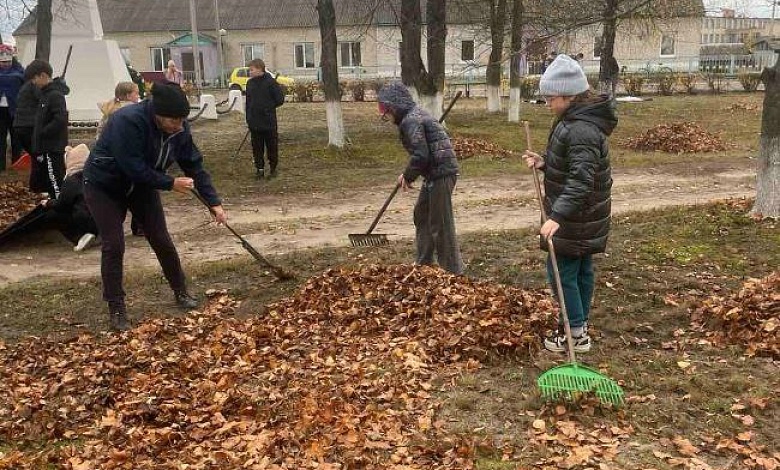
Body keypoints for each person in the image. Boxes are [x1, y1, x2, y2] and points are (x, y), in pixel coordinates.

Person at [83, 82, 228, 332]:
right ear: (157, 114)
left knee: (161, 238)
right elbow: (132, 167)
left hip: (141, 187)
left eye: (183, 120)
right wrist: (169, 183)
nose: (179, 126)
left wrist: (213, 202)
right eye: (174, 121)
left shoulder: (180, 130)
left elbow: (194, 165)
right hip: (104, 185)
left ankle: (181, 291)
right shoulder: (127, 121)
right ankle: (116, 307)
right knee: (114, 244)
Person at [522, 54, 617, 353]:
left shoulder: (581, 129)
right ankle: (580, 326)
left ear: (568, 94)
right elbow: (573, 167)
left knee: (561, 271)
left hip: (577, 215)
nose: (548, 104)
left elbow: (580, 181)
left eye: (551, 98)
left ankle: (575, 334)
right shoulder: (577, 121)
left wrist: (556, 217)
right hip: (583, 214)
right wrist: (545, 163)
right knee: (580, 269)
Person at [377, 81, 464, 275]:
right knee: (421, 214)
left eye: (386, 112)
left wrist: (407, 176)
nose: (385, 117)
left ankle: (453, 272)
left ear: (394, 107)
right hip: (434, 172)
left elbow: (421, 155)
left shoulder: (411, 121)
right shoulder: (413, 116)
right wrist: (410, 175)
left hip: (441, 173)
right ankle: (423, 263)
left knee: (440, 224)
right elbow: (423, 153)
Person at [96, 81, 144, 237]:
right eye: (137, 93)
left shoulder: (109, 111)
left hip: (107, 158)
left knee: (117, 195)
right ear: (129, 95)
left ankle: (114, 226)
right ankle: (139, 225)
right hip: (126, 157)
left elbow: (100, 135)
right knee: (138, 191)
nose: (139, 96)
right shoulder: (130, 112)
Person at [41, 144, 99, 251]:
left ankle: (79, 238)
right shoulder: (97, 175)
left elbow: (62, 204)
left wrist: (48, 203)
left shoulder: (71, 181)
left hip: (85, 220)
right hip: (103, 218)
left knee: (53, 215)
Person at [29, 59, 69, 199]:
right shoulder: (44, 95)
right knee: (49, 181)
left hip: (53, 147)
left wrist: (43, 132)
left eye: (34, 78)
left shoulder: (55, 95)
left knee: (56, 180)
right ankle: (54, 204)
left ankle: (60, 207)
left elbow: (60, 119)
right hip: (45, 147)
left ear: (43, 75)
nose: (33, 82)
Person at [245, 58, 284, 179]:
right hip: (254, 122)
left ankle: (273, 169)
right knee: (257, 148)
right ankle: (259, 169)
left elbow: (279, 99)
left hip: (268, 122)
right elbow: (248, 102)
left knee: (271, 146)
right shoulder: (250, 83)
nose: (249, 72)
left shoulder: (271, 82)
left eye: (251, 69)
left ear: (259, 68)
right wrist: (249, 118)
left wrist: (267, 108)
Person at [0, 44, 25, 172]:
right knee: (0, 139)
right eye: (3, 62)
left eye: (8, 61)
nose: (5, 64)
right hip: (0, 111)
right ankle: (1, 166)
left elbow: (24, 82)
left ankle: (17, 164)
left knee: (16, 139)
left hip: (15, 109)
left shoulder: (19, 71)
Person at [12, 68, 42, 163]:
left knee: (36, 157)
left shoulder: (25, 87)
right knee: (39, 158)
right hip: (29, 125)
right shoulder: (34, 86)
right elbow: (44, 98)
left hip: (20, 125)